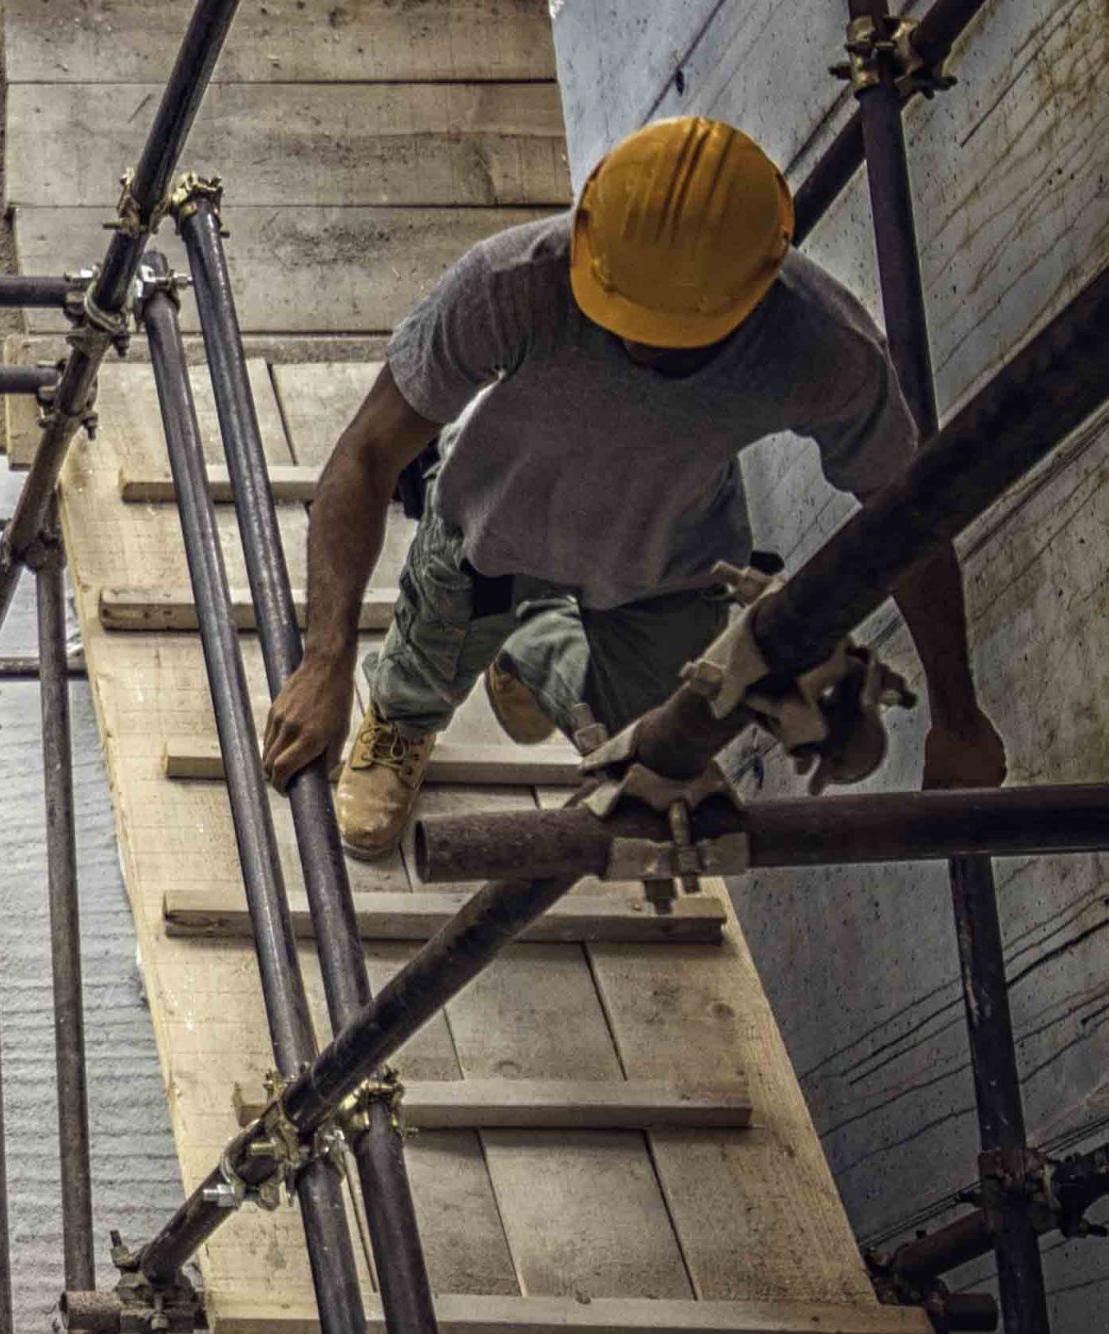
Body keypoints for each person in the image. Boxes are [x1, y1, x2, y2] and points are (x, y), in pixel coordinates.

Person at [260, 115, 1007, 856]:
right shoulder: (510, 284)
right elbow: (365, 455)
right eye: (622, 313)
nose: (638, 342)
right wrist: (324, 661)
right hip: (493, 529)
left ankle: (529, 651)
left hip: (664, 565)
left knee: (653, 745)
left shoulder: (819, 349)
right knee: (430, 653)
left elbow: (906, 521)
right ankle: (403, 719)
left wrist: (959, 713)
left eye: (674, 331)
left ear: (755, 289)